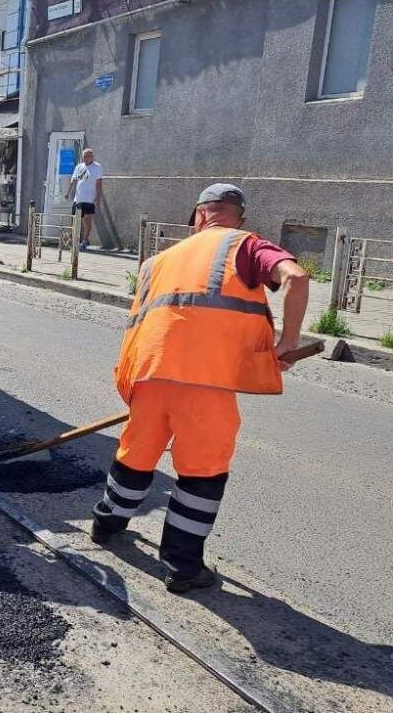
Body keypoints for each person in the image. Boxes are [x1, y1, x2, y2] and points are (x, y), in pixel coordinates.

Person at [91, 183, 310, 593]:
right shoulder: (245, 246)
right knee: (201, 472)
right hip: (205, 382)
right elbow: (296, 277)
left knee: (135, 455)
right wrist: (287, 343)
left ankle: (106, 524)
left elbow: (138, 323)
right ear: (237, 218)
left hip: (150, 374)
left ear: (198, 215)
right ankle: (183, 565)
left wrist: (131, 384)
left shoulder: (157, 260)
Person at [65, 148, 103, 250]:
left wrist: (98, 198)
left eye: (87, 156)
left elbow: (99, 184)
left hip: (89, 199)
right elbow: (73, 180)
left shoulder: (97, 167)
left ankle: (85, 240)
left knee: (87, 221)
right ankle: (73, 239)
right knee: (74, 220)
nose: (85, 158)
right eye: (84, 156)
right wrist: (68, 192)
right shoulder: (79, 166)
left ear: (92, 157)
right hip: (78, 199)